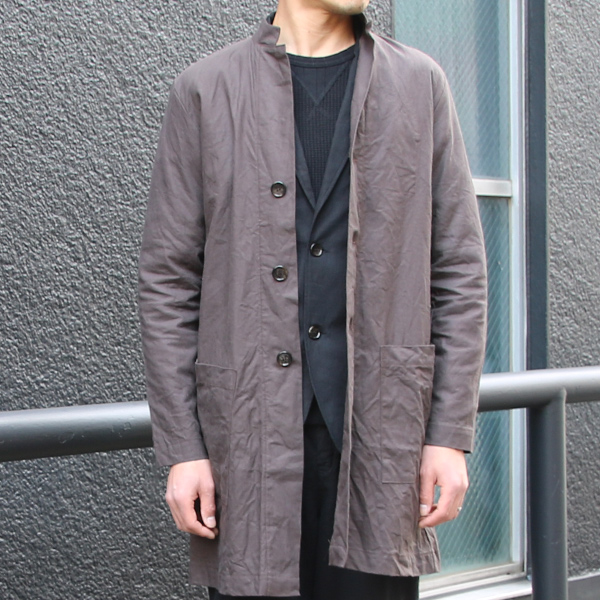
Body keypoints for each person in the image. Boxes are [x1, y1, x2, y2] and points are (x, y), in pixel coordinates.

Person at [138, 1, 487, 598]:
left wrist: (448, 434)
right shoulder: (206, 90)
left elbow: (458, 269)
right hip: (246, 436)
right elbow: (168, 281)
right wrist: (183, 448)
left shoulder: (419, 84)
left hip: (382, 439)